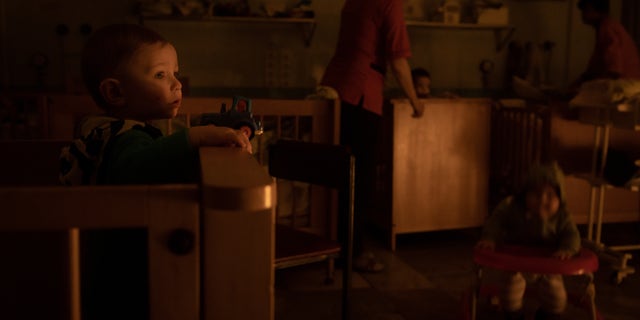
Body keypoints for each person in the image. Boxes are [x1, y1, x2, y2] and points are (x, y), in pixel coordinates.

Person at [58, 23, 251, 319]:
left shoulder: (102, 130)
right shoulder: (124, 137)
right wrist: (196, 136)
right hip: (121, 270)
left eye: (175, 72)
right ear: (115, 92)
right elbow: (138, 167)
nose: (177, 84)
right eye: (160, 75)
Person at [320, 0, 424, 273]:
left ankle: (333, 247)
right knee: (359, 179)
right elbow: (398, 61)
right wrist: (415, 101)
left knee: (337, 177)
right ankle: (353, 253)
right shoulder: (389, 4)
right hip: (361, 94)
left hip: (334, 89)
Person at [476, 163, 581, 320]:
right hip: (515, 262)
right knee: (510, 289)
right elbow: (495, 220)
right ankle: (513, 314)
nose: (542, 200)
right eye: (536, 194)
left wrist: (567, 248)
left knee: (556, 296)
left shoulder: (562, 217)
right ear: (525, 195)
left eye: (550, 195)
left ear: (560, 199)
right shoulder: (512, 207)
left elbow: (571, 234)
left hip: (549, 263)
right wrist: (490, 238)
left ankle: (548, 315)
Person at [571, 0, 640, 91]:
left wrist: (588, 87)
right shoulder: (605, 27)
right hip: (626, 84)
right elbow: (595, 66)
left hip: (625, 87)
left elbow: (614, 69)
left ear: (598, 10)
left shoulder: (608, 28)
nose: (582, 14)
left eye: (586, 10)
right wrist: (581, 81)